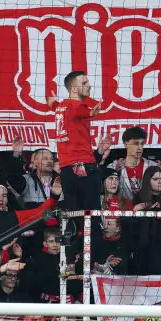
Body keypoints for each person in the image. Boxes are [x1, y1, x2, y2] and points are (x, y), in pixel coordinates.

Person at [49, 70, 103, 213]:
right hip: (83, 166)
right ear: (73, 89)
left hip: (66, 170)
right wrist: (92, 112)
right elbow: (85, 112)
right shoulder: (78, 106)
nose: (89, 85)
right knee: (92, 214)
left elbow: (56, 106)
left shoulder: (61, 106)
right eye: (84, 83)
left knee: (75, 214)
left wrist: (52, 103)